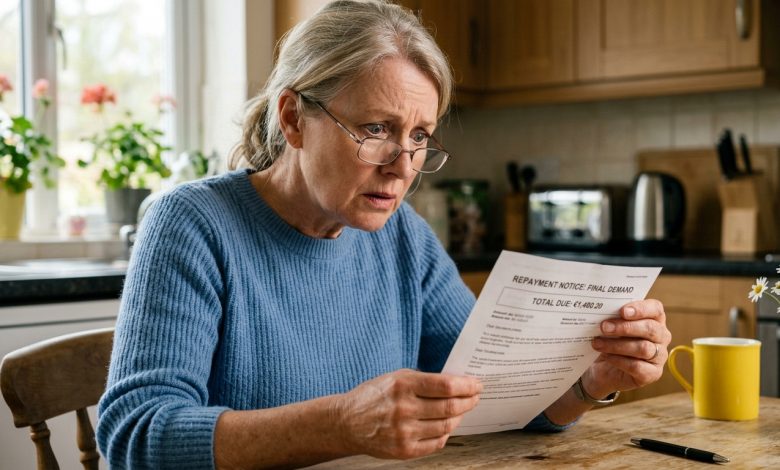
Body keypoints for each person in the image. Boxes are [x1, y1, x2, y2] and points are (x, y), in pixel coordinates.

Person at [96, 1, 672, 468]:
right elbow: (135, 435)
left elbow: (489, 398)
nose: (403, 165)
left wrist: (589, 383)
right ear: (294, 118)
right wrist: (341, 423)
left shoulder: (404, 238)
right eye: (377, 129)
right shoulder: (192, 225)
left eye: (420, 136)